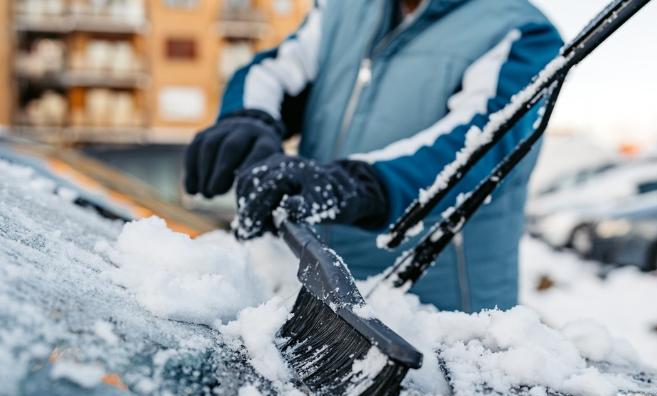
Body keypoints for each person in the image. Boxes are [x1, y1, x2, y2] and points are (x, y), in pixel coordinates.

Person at [183, 0, 563, 312]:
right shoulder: (341, 10)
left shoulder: (519, 31)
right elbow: (275, 71)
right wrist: (249, 119)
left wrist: (355, 183)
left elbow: (478, 143)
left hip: (446, 322)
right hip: (324, 304)